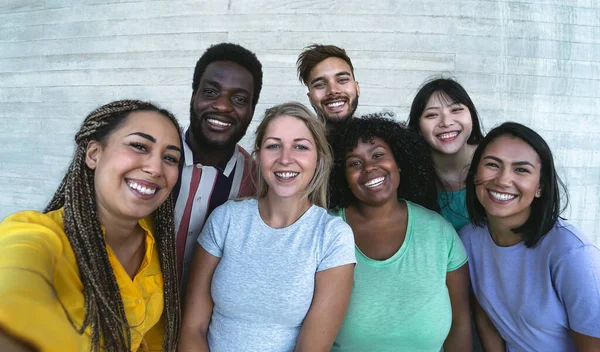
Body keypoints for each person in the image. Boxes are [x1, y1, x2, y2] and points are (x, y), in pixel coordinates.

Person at [0, 100, 182, 351]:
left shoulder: (154, 238)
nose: (155, 168)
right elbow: (15, 286)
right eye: (139, 146)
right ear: (94, 154)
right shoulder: (39, 234)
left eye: (170, 158)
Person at [178, 102, 356, 352]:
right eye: (274, 146)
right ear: (259, 155)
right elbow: (192, 328)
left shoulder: (332, 235)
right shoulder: (226, 219)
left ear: (318, 158)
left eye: (300, 147)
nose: (285, 159)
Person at [329, 115, 472, 351]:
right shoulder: (327, 229)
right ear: (342, 176)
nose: (369, 167)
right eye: (354, 163)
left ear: (398, 162)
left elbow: (461, 324)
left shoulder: (439, 232)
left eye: (378, 155)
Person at [461, 122, 600, 351]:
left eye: (521, 170)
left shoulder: (572, 254)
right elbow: (488, 319)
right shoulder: (469, 239)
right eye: (493, 165)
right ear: (475, 173)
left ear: (540, 188)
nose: (503, 180)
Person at [174, 42, 262, 288]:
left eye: (240, 98)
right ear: (194, 96)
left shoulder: (257, 183)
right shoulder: (152, 159)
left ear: (252, 111)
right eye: (211, 92)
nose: (222, 106)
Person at [408, 77, 485, 232]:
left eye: (456, 110)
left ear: (472, 115)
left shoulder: (493, 159)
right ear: (418, 127)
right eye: (432, 115)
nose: (446, 122)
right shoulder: (409, 173)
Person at [296, 44, 360, 134]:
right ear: (310, 97)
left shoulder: (378, 140)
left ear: (357, 88)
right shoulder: (300, 143)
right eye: (320, 85)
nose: (333, 90)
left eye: (342, 80)